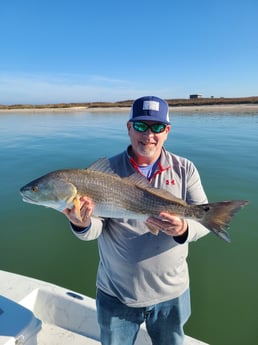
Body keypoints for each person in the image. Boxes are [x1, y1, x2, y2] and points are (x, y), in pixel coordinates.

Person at [63, 96, 209, 345]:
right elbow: (95, 229)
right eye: (141, 126)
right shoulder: (104, 172)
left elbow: (204, 220)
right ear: (129, 127)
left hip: (171, 293)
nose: (148, 135)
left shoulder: (185, 169)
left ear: (167, 131)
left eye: (157, 127)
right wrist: (81, 223)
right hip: (117, 295)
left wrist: (184, 228)